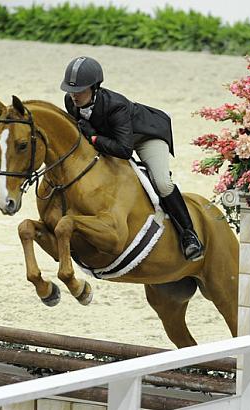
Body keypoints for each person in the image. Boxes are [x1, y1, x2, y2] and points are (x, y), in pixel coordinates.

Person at [60, 56, 204, 261]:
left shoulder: (115, 105)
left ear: (95, 87)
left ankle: (189, 235)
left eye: (80, 90)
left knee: (162, 182)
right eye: (71, 90)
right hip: (114, 137)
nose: (74, 95)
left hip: (145, 137)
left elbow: (125, 149)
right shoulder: (71, 101)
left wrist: (93, 137)